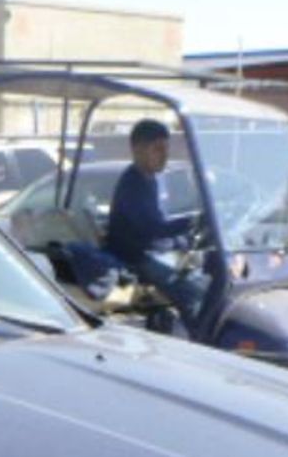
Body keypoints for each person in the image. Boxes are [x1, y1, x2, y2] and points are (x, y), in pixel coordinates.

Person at [64, 119, 209, 329]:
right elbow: (152, 228)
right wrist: (191, 222)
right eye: (157, 149)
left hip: (150, 251)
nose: (164, 156)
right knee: (192, 295)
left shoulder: (150, 180)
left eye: (166, 149)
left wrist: (187, 235)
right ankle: (202, 342)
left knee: (202, 274)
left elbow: (159, 229)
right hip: (134, 256)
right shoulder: (133, 184)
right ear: (138, 150)